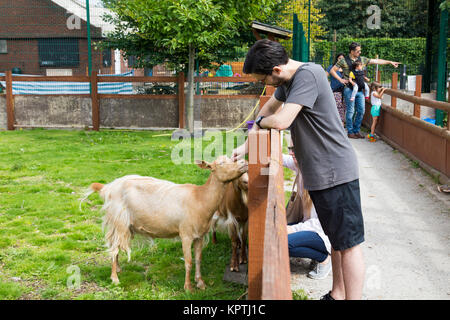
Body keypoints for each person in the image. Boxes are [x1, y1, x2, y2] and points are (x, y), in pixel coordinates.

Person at [232, 39, 366, 300]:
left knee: (349, 245)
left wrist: (261, 122)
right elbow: (268, 109)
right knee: (336, 241)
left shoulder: (308, 74)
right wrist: (246, 147)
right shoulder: (288, 81)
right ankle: (337, 294)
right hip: (319, 174)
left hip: (336, 171)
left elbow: (280, 120)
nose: (266, 85)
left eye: (265, 79)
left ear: (277, 70)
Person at [330, 42, 399, 139]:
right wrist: (340, 79)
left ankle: (356, 131)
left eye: (360, 50)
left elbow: (376, 61)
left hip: (360, 90)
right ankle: (350, 132)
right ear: (352, 51)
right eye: (358, 51)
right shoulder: (343, 61)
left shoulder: (362, 59)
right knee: (350, 111)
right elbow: (332, 70)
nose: (360, 52)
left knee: (361, 110)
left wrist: (390, 62)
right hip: (349, 89)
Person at [284, 142, 332, 280]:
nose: (291, 153)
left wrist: (293, 229)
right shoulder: (302, 165)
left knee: (283, 242)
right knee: (274, 234)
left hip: (323, 233)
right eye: (290, 149)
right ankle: (314, 250)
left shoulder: (320, 181)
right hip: (309, 226)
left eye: (295, 149)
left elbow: (321, 223)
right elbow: (280, 158)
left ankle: (324, 258)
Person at [326, 53, 346, 125]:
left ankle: (342, 123)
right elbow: (325, 77)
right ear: (337, 59)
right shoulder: (331, 67)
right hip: (335, 90)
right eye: (339, 58)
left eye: (342, 59)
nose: (341, 60)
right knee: (337, 106)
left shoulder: (346, 68)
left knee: (344, 106)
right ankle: (338, 123)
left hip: (345, 90)